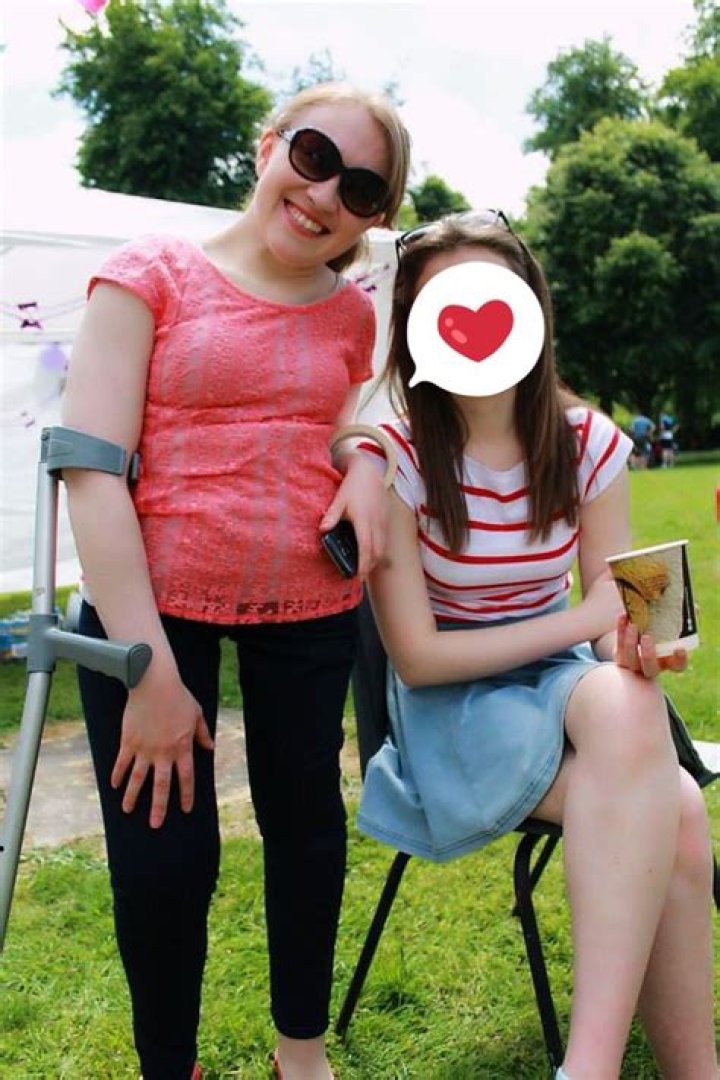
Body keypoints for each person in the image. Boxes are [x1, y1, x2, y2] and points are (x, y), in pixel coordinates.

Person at [61, 84, 410, 1080]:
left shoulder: (353, 314)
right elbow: (90, 469)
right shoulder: (147, 275)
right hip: (149, 611)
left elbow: (351, 418)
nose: (325, 195)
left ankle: (301, 1054)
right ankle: (169, 1067)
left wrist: (369, 461)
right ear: (267, 148)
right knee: (165, 858)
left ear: (373, 216)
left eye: (361, 187)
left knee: (306, 832)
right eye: (313, 156)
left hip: (308, 605)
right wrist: (147, 672)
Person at [356, 213, 717, 1079]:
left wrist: (642, 644)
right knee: (678, 807)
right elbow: (418, 659)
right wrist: (586, 617)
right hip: (450, 708)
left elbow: (622, 613)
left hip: (563, 687)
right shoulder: (397, 456)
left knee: (629, 699)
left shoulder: (589, 442)